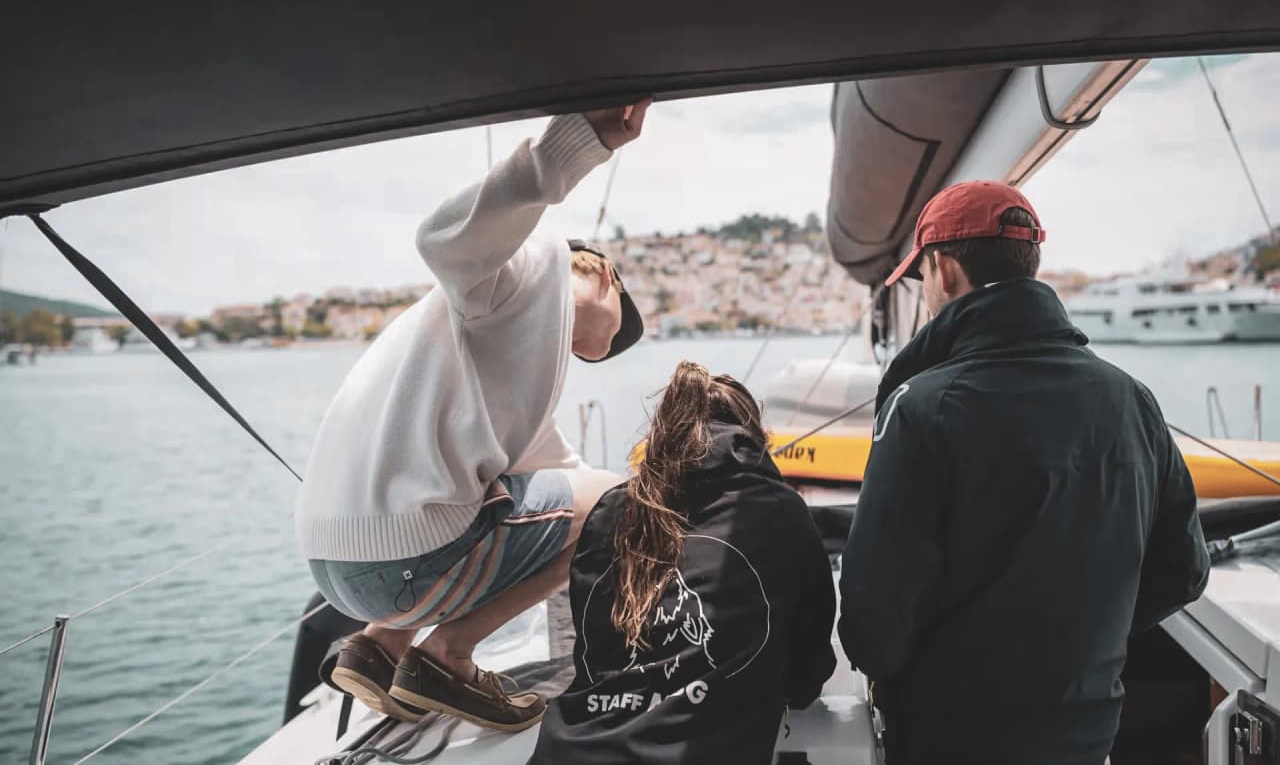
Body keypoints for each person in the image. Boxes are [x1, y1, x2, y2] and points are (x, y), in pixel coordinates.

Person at [295, 101, 651, 731]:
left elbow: (555, 470)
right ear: (604, 276)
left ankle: (379, 648)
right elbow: (442, 239)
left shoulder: (494, 337)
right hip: (399, 562)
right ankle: (449, 655)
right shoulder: (525, 271)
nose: (594, 354)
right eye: (617, 335)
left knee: (604, 497)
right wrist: (574, 146)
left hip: (335, 571)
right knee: (623, 506)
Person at [838, 181, 1210, 765]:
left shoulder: (922, 407)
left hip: (950, 734)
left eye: (924, 277)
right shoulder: (1132, 399)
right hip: (1087, 730)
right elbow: (1184, 571)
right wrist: (1086, 645)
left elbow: (873, 622)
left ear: (945, 270)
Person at [529, 361, 836, 765]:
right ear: (752, 437)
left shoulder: (612, 509)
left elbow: (592, 648)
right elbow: (808, 668)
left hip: (569, 749)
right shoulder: (780, 510)